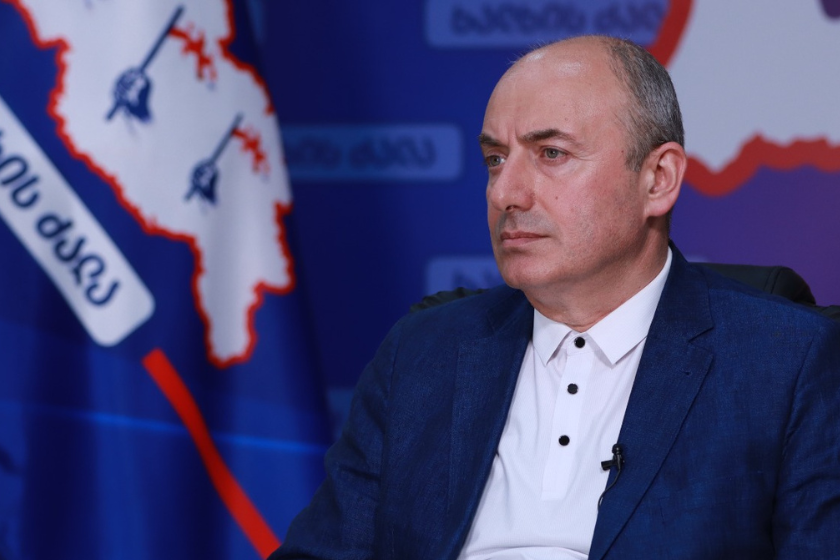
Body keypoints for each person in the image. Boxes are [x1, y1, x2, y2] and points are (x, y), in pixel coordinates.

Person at [270, 35, 840, 559]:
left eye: (551, 154)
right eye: (496, 159)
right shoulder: (422, 355)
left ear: (658, 179)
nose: (506, 192)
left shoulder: (787, 361)